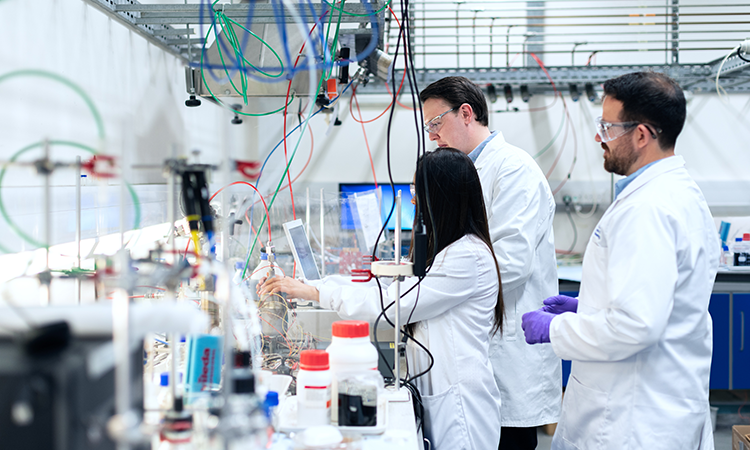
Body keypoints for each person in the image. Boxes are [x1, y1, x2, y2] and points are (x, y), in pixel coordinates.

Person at [521, 72, 719, 449]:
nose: (600, 137)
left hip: (633, 419)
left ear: (642, 135)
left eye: (608, 127)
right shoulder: (676, 192)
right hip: (658, 401)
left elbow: (635, 327)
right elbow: (659, 300)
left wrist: (556, 330)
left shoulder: (648, 208)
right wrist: (589, 307)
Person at [260, 148, 504, 450]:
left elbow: (392, 305)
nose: (413, 200)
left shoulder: (467, 256)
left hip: (460, 403)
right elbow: (387, 287)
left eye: (418, 191)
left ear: (441, 196)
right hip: (440, 390)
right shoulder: (448, 250)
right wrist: (320, 285)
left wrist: (316, 292)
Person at [419, 76, 561, 449]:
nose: (432, 135)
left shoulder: (514, 169)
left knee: (508, 440)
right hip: (479, 345)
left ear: (466, 113)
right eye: (428, 127)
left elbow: (511, 262)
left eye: (436, 123)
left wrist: (439, 292)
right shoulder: (464, 171)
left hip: (507, 347)